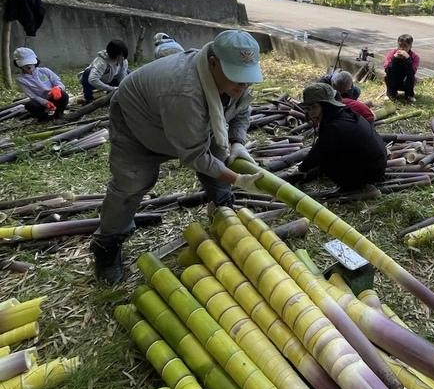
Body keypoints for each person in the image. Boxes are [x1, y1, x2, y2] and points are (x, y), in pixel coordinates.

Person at [90, 30, 264, 283]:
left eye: (248, 79)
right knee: (133, 182)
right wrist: (238, 178)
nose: (243, 85)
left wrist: (237, 141)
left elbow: (241, 109)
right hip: (138, 121)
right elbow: (196, 155)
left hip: (187, 122)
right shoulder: (184, 91)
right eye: (238, 78)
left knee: (219, 157)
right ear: (213, 63)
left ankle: (223, 208)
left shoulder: (233, 80)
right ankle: (106, 246)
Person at [299, 82, 386, 190]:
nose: (311, 112)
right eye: (308, 108)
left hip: (370, 173)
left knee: (327, 162)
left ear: (326, 106)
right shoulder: (342, 113)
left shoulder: (334, 126)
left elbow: (318, 152)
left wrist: (301, 169)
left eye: (314, 107)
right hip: (377, 165)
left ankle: (357, 188)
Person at [13, 47, 69, 120]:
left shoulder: (45, 71)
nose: (28, 66)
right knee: (30, 105)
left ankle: (58, 114)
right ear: (19, 65)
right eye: (25, 64)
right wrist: (45, 102)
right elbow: (32, 96)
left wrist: (57, 89)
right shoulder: (20, 80)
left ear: (35, 61)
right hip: (40, 102)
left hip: (54, 97)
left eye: (30, 62)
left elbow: (59, 83)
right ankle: (45, 118)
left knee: (64, 95)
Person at [384, 34, 420, 102]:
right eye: (400, 46)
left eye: (405, 46)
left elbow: (412, 72)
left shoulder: (415, 57)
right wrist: (394, 59)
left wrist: (408, 59)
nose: (402, 49)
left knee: (412, 77)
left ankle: (409, 95)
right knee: (386, 76)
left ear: (410, 46)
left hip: (406, 81)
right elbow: (387, 70)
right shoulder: (392, 53)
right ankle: (391, 93)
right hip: (394, 79)